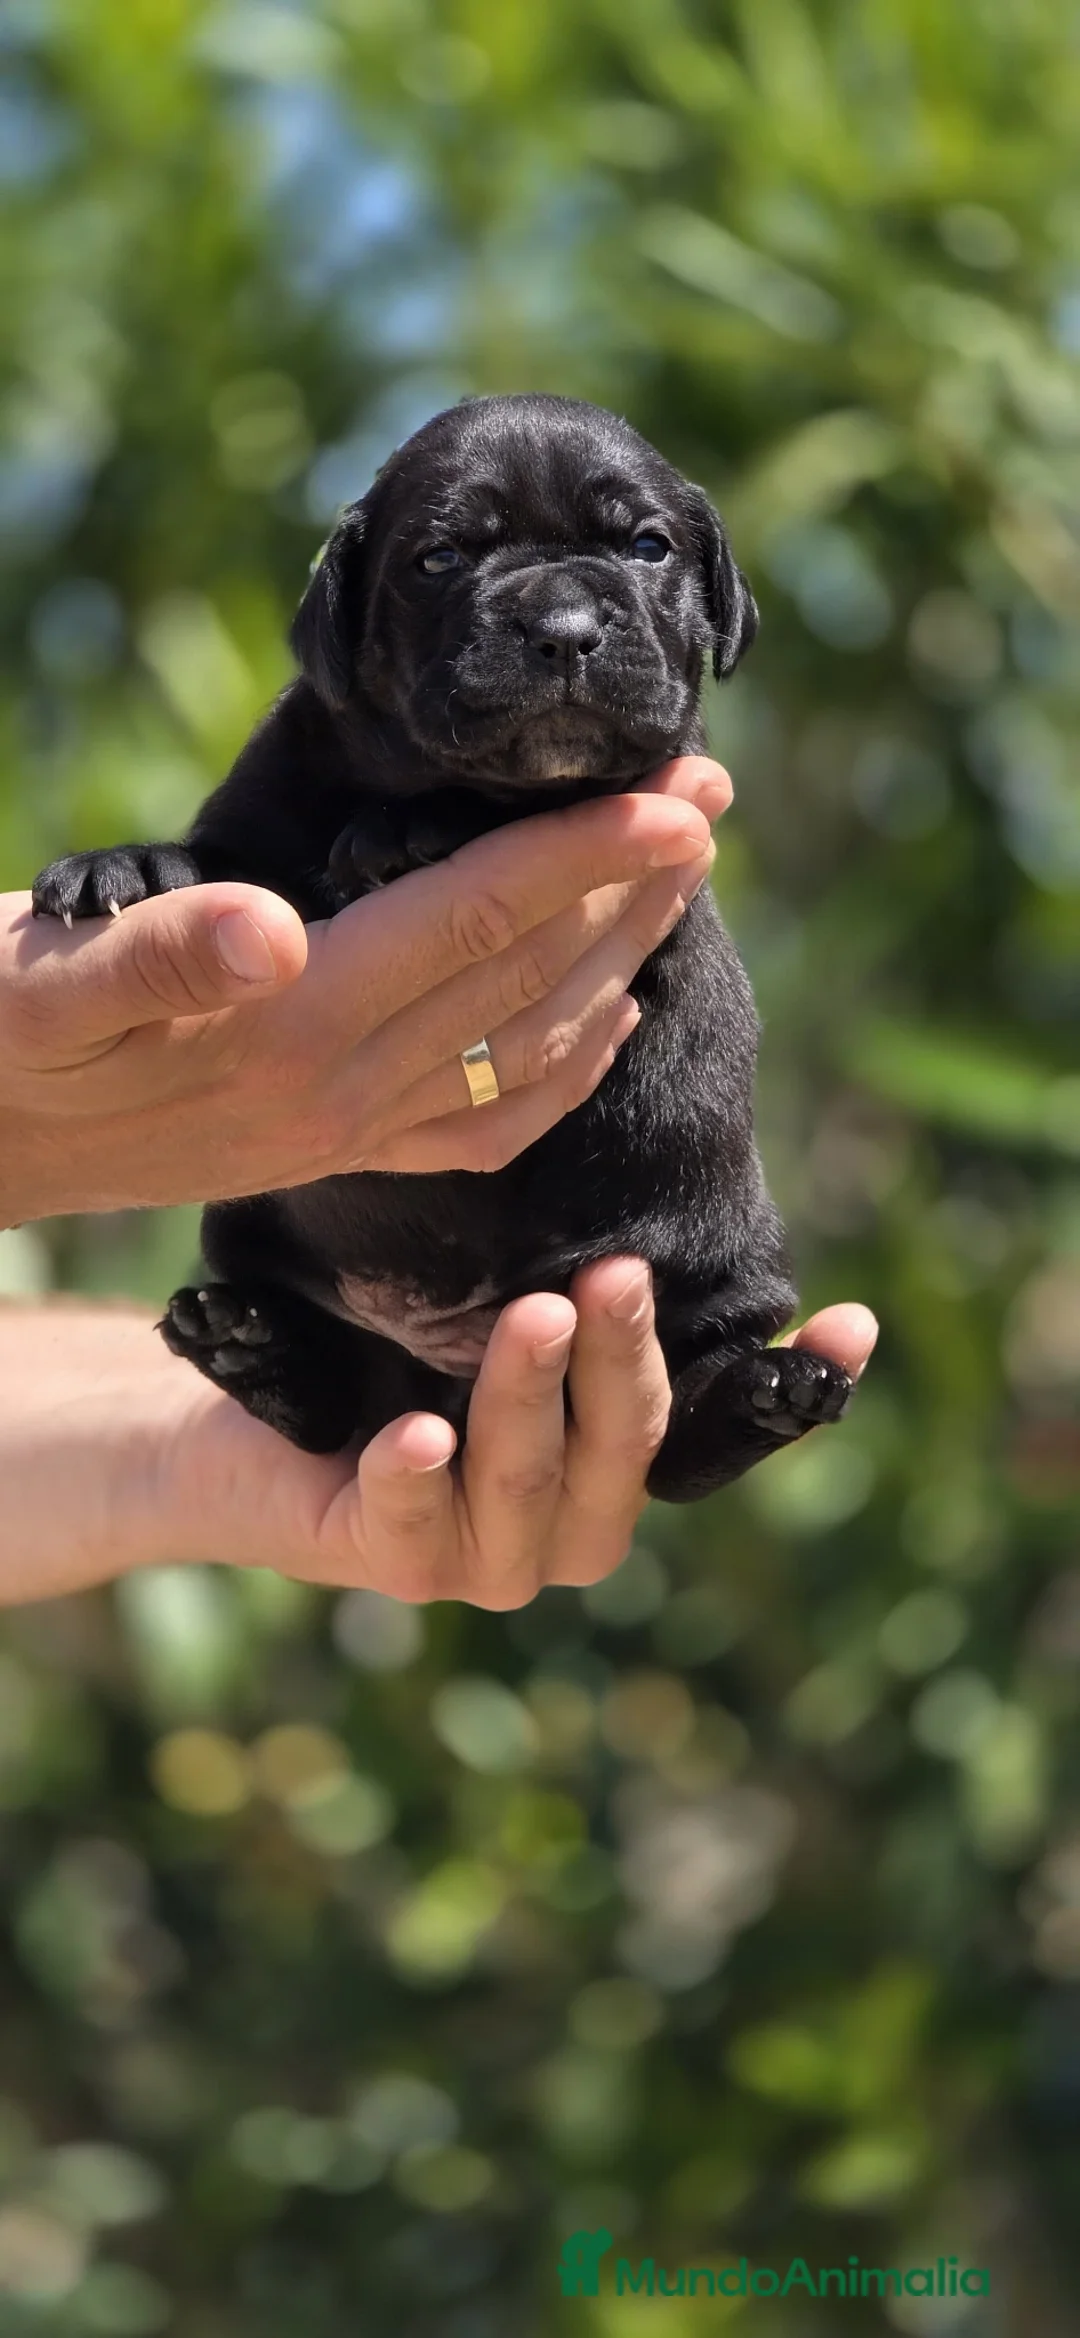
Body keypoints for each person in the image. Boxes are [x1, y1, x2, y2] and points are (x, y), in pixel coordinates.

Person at [0, 758, 877, 1606]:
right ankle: (300, 1368)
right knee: (311, 1333)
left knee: (669, 1374)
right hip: (347, 1296)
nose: (565, 628)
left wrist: (169, 1454)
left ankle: (718, 1407)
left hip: (648, 1257)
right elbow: (237, 864)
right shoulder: (304, 767)